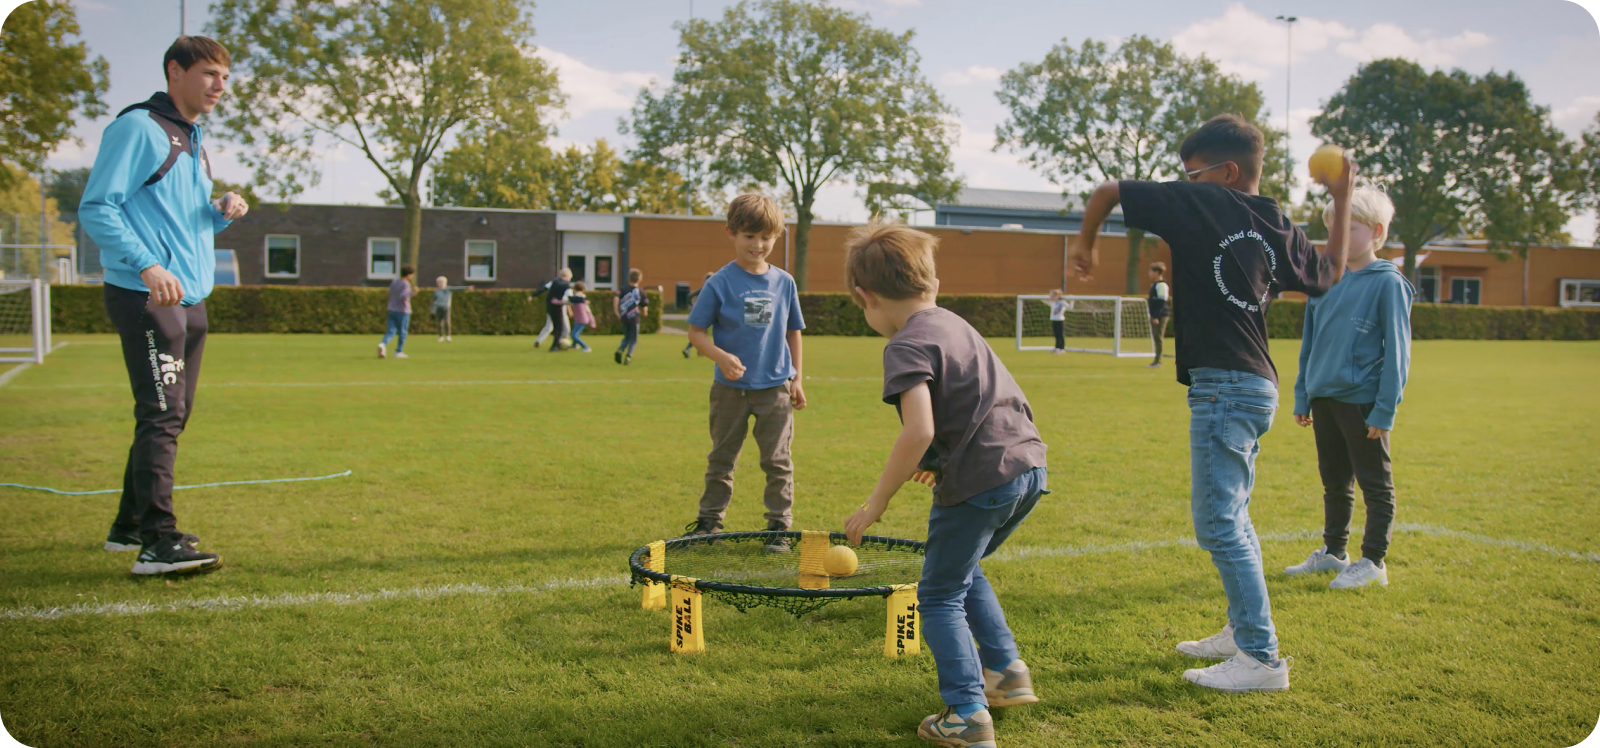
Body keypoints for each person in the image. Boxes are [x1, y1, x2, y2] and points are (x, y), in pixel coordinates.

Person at [1070, 114, 1356, 693]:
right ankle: (1241, 629)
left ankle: (1261, 657)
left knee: (1219, 523)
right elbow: (1330, 271)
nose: (1184, 184)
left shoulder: (1201, 204)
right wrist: (1344, 196)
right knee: (1236, 518)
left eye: (1191, 174)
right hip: (1255, 385)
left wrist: (1085, 245)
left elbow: (1104, 192)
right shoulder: (1277, 220)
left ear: (1226, 172)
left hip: (1225, 385)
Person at [842, 219, 1048, 748]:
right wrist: (941, 457)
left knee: (937, 595)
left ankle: (967, 713)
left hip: (981, 480)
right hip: (1027, 466)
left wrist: (876, 503)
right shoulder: (956, 324)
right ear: (931, 282)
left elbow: (920, 427)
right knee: (964, 569)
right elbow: (978, 399)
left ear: (865, 297)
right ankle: (1005, 673)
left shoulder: (905, 345)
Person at [80, 36, 247, 575]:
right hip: (147, 294)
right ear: (175, 71)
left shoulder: (192, 139)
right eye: (209, 74)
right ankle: (158, 542)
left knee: (172, 413)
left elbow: (180, 217)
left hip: (190, 298)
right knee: (161, 413)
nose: (220, 86)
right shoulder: (140, 128)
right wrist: (148, 265)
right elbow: (97, 208)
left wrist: (219, 211)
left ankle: (129, 528)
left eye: (225, 77)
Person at [1287, 186, 1412, 590]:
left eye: (1349, 228)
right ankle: (1334, 554)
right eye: (1332, 229)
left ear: (1376, 231)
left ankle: (1373, 561)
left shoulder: (1388, 283)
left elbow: (1397, 352)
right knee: (1335, 482)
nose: (1337, 238)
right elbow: (1310, 342)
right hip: (1323, 397)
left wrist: (1385, 409)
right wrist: (1303, 393)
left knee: (1375, 484)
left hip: (1362, 402)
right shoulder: (1324, 279)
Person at [684, 194, 806, 552]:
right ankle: (709, 523)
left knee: (777, 462)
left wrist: (796, 377)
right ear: (731, 233)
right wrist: (720, 357)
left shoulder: (784, 282)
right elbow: (695, 333)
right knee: (721, 459)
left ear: (777, 236)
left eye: (766, 237)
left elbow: (793, 330)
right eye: (749, 236)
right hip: (729, 391)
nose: (758, 244)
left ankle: (778, 528)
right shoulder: (720, 282)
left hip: (775, 390)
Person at [379, 266, 416, 359]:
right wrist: (413, 293)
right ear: (408, 275)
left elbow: (389, 293)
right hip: (403, 310)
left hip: (391, 309)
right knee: (403, 332)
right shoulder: (405, 284)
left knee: (391, 330)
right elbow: (403, 296)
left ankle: (383, 344)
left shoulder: (394, 282)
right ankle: (398, 351)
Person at [614, 269, 648, 364]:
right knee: (633, 339)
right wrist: (645, 314)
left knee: (626, 337)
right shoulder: (640, 291)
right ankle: (628, 357)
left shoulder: (623, 289)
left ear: (628, 278)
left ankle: (620, 350)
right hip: (635, 318)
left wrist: (616, 311)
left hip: (624, 317)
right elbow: (645, 305)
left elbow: (616, 298)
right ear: (640, 279)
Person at [683, 270, 716, 358]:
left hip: (702, 314)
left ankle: (700, 351)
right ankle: (687, 349)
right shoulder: (710, 289)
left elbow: (689, 296)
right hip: (706, 315)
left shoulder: (703, 289)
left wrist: (691, 305)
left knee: (700, 333)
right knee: (700, 333)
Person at [431, 276, 469, 342]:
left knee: (447, 322)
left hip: (446, 307)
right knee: (440, 322)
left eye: (442, 283)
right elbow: (433, 300)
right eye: (439, 283)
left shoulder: (448, 289)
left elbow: (457, 288)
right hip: (439, 307)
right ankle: (441, 336)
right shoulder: (436, 291)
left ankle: (448, 336)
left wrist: (467, 287)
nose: (441, 284)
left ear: (445, 283)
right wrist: (432, 309)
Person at [1147, 262, 1171, 367]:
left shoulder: (1162, 285)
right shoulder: (1154, 285)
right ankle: (1156, 360)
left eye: (1150, 271)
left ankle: (1158, 361)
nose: (1149, 273)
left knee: (1158, 337)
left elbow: (1161, 302)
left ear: (1156, 272)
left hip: (1161, 315)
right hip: (1155, 315)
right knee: (1156, 337)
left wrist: (1156, 316)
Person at [544, 267, 573, 353]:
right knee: (560, 328)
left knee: (557, 327)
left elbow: (544, 289)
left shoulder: (554, 282)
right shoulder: (566, 285)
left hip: (550, 307)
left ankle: (557, 344)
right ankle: (555, 346)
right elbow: (569, 298)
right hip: (558, 309)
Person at [568, 281, 595, 352]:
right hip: (579, 320)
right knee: (577, 333)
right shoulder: (582, 299)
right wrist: (592, 321)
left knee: (573, 335)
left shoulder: (578, 298)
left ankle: (585, 347)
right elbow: (588, 311)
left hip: (581, 320)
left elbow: (570, 299)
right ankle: (574, 346)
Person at [530, 278, 556, 348]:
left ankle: (538, 341)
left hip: (552, 306)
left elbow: (543, 289)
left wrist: (533, 295)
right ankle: (560, 343)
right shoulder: (560, 283)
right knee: (564, 328)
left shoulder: (553, 282)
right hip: (557, 307)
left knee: (549, 326)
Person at [1048, 289, 1068, 354]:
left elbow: (1070, 307)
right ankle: (1057, 347)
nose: (1051, 297)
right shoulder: (1053, 302)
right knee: (1056, 335)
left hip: (1060, 320)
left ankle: (1062, 348)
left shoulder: (1062, 302)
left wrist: (1072, 300)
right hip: (1054, 320)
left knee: (1060, 335)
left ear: (1057, 296)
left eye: (1052, 296)